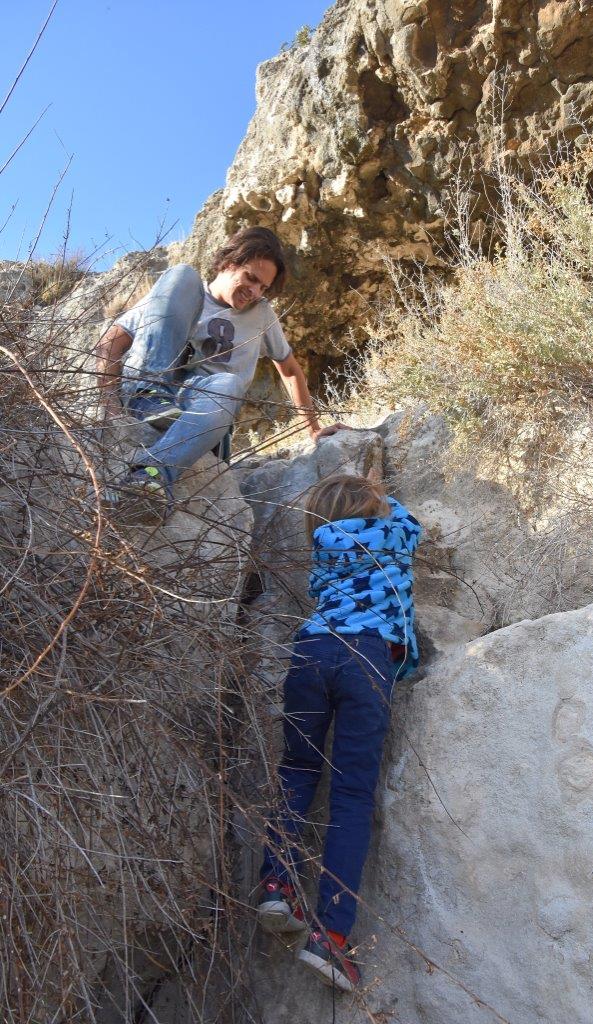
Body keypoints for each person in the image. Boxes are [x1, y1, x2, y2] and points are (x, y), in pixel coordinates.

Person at [257, 473, 422, 992]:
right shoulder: (392, 535)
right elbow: (412, 522)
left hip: (311, 652)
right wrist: (379, 496)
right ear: (375, 509)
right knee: (350, 795)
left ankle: (275, 884)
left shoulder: (321, 552)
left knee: (299, 770)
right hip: (366, 656)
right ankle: (330, 937)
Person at [95, 227, 344, 513]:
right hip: (151, 385)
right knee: (181, 274)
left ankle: (151, 475)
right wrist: (109, 406)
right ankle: (149, 395)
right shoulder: (182, 293)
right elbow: (111, 342)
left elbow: (289, 369)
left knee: (230, 384)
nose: (254, 292)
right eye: (251, 278)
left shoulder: (261, 313)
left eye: (263, 287)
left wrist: (312, 429)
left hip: (201, 405)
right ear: (228, 263)